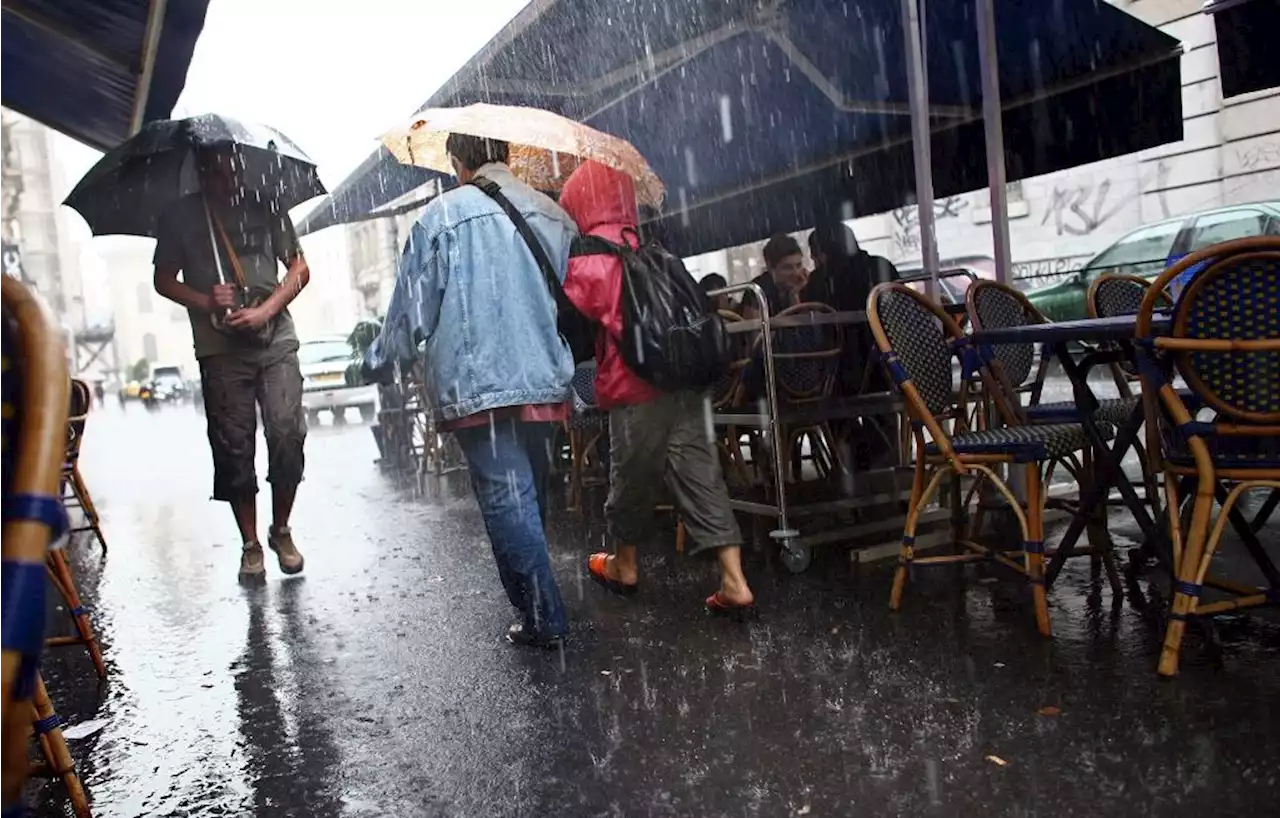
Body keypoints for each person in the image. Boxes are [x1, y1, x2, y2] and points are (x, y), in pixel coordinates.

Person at [364, 133, 577, 650]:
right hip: (547, 377)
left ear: (458, 164)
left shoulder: (440, 219)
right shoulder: (553, 214)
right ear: (506, 156)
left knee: (508, 497)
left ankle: (544, 614)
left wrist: (381, 358)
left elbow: (411, 309)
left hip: (480, 385)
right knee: (531, 495)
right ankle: (534, 607)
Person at [559, 160, 755, 615]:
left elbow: (576, 319)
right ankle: (734, 580)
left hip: (637, 386)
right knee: (702, 476)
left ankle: (624, 565)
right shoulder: (653, 248)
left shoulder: (589, 256)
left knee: (631, 479)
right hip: (685, 379)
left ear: (581, 203)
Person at [152, 147, 309, 584]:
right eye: (218, 173)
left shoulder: (266, 204)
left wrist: (266, 310)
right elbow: (163, 279)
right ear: (201, 173)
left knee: (286, 432)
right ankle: (250, 544)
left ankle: (281, 529)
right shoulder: (181, 216)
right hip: (220, 348)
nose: (229, 180)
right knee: (234, 446)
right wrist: (206, 300)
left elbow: (299, 267)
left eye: (234, 170)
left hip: (275, 336)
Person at [802, 219, 899, 312]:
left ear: (823, 253)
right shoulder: (881, 265)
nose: (811, 257)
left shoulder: (820, 279)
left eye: (814, 252)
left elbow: (808, 314)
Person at [740, 233, 808, 320]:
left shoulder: (805, 284)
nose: (796, 273)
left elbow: (807, 328)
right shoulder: (757, 291)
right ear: (770, 267)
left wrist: (794, 295)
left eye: (799, 265)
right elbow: (756, 332)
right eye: (787, 268)